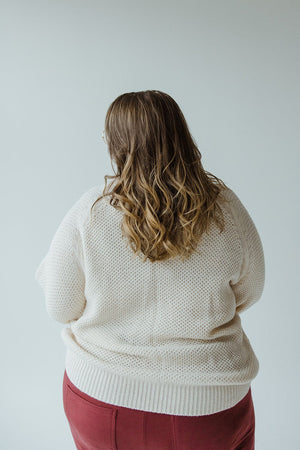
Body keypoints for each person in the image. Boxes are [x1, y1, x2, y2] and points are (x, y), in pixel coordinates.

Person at [35, 90, 265, 450]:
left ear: (117, 145)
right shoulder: (227, 211)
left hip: (104, 398)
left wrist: (49, 271)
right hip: (209, 406)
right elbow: (251, 290)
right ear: (181, 137)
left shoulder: (90, 213)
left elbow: (60, 306)